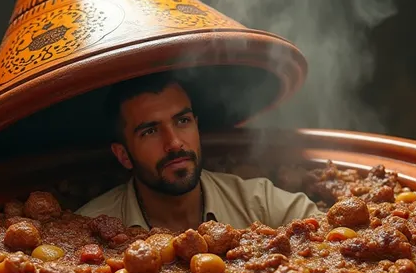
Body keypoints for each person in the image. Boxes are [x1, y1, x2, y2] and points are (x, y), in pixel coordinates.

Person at [77, 73, 319, 232]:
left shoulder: (258, 202)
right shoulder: (90, 228)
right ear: (123, 155)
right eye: (150, 131)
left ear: (197, 125)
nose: (174, 143)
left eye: (182, 121)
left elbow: (327, 233)